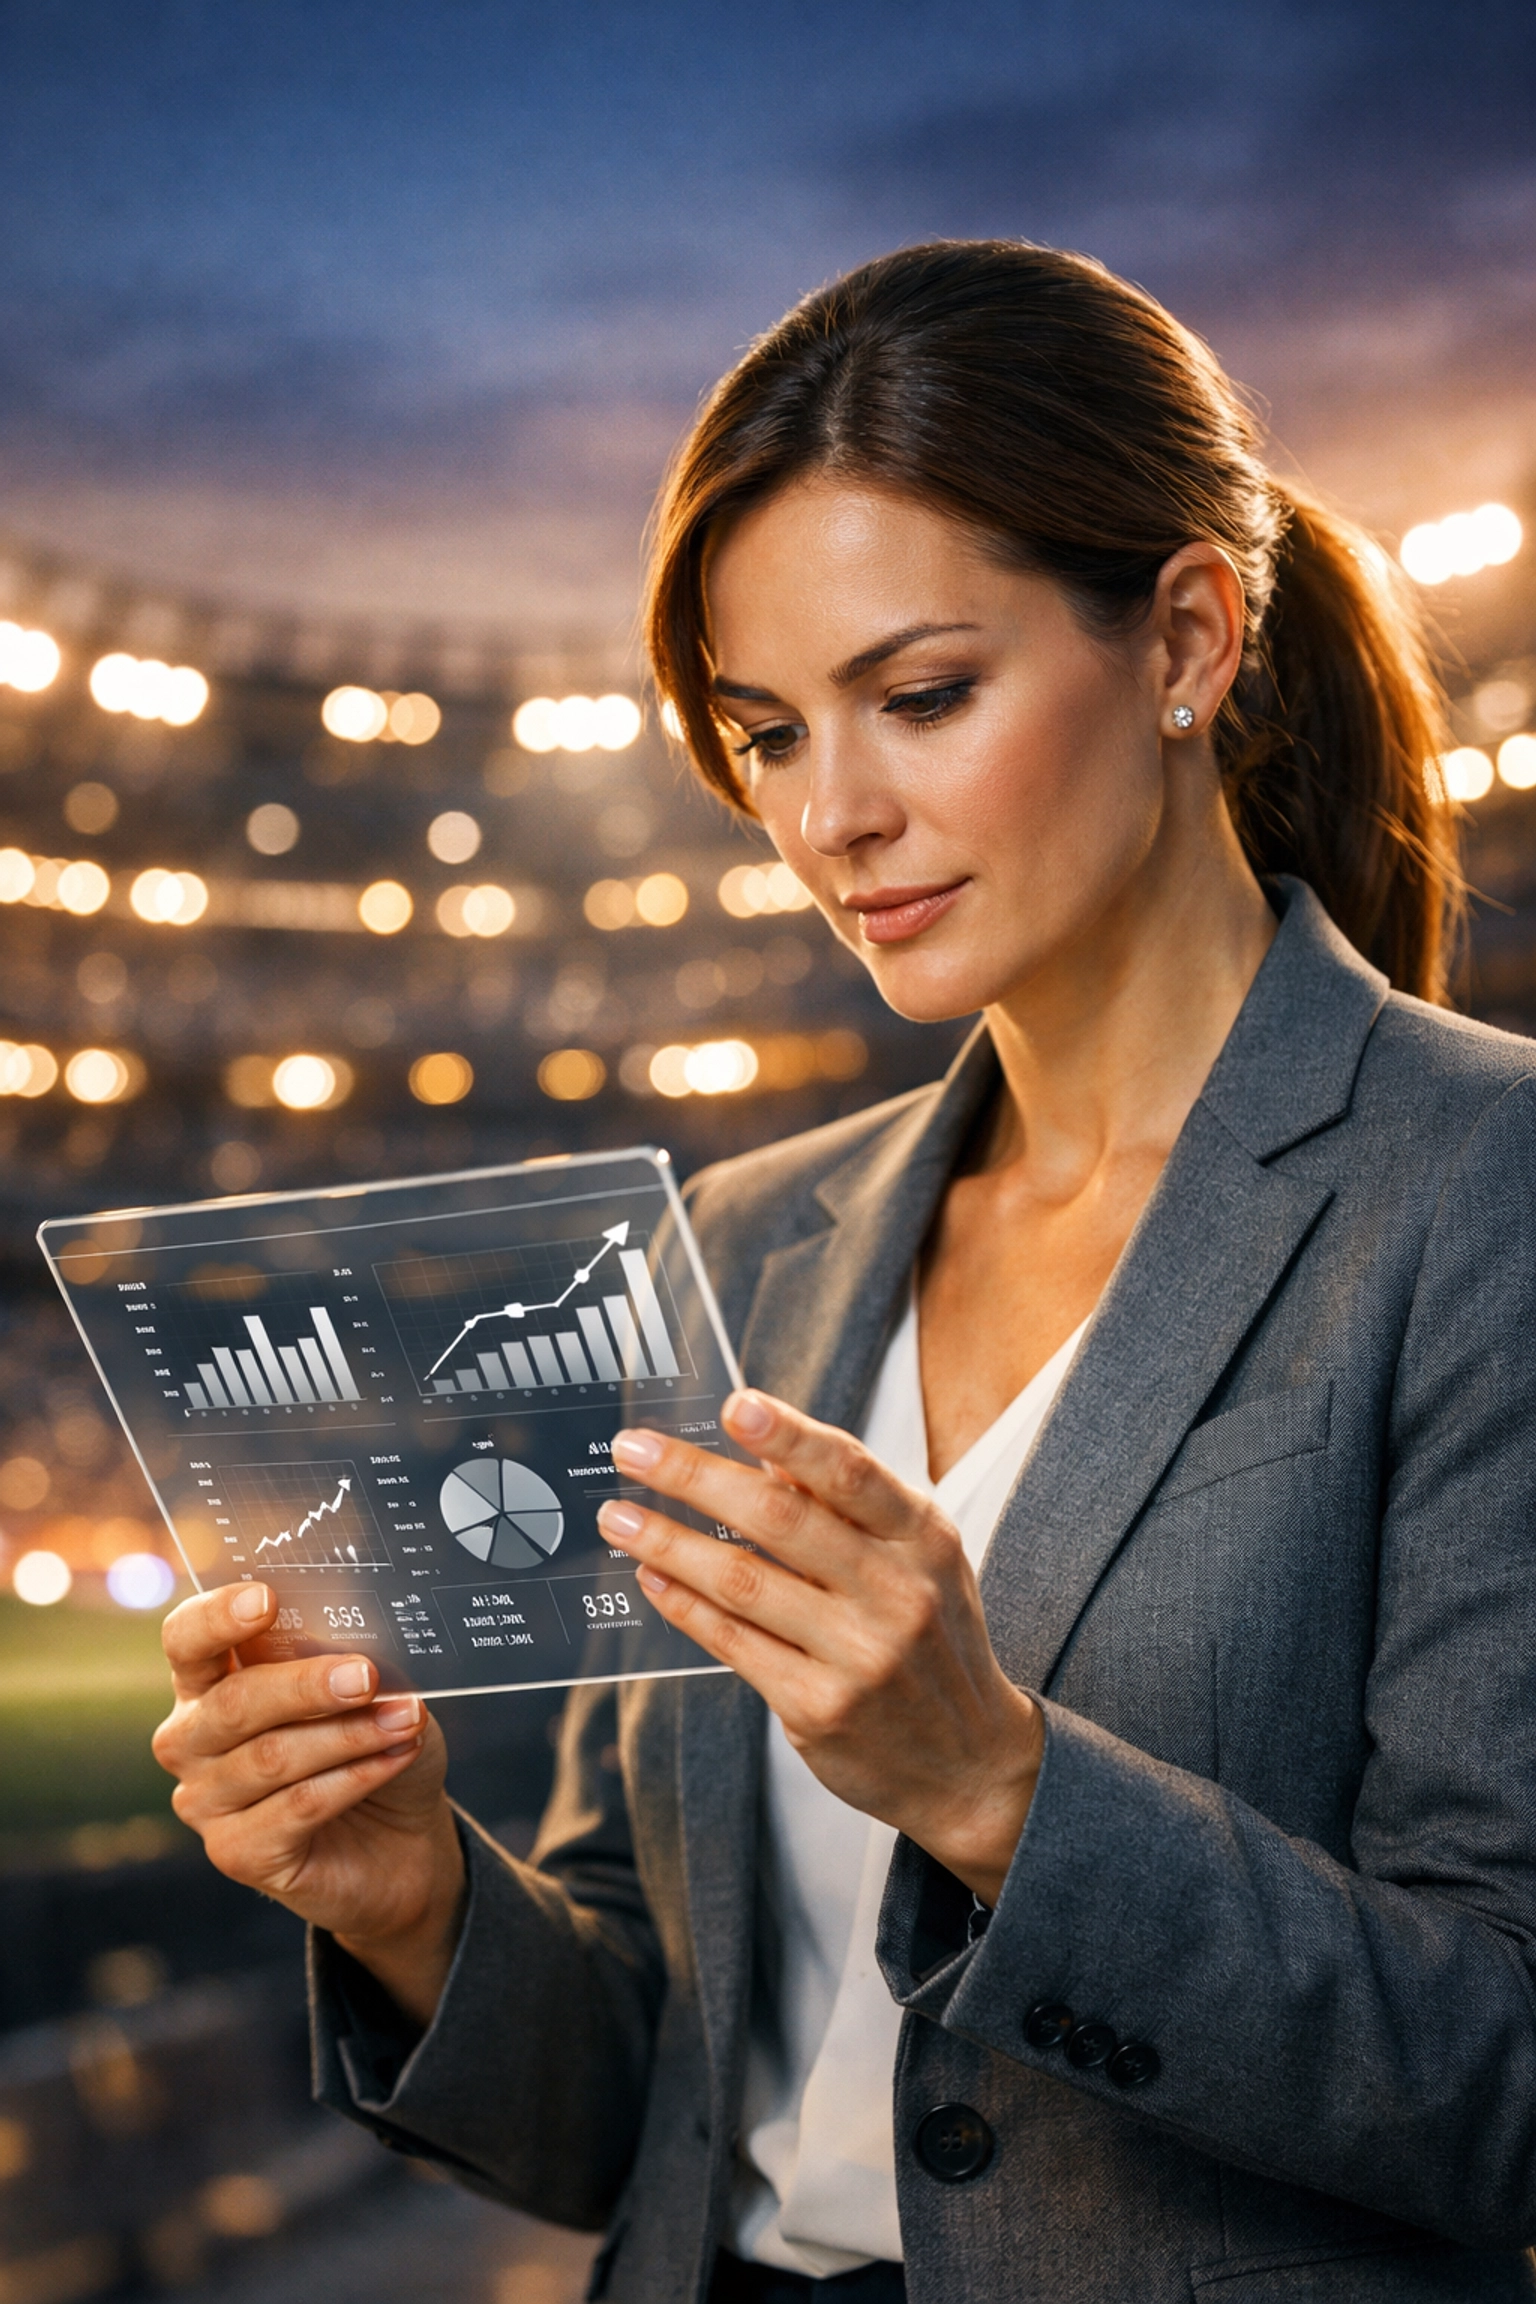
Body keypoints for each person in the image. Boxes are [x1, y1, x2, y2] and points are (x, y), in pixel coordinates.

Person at [151, 243, 1536, 2303]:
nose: (833, 819)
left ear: (1185, 637)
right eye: (769, 733)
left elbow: (1502, 2082)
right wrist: (416, 1898)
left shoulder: (1481, 1187)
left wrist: (999, 1787)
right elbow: (666, 2094)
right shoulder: (741, 1247)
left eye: (920, 696)